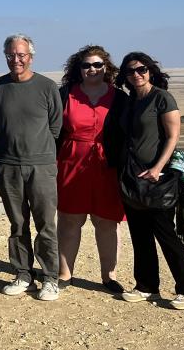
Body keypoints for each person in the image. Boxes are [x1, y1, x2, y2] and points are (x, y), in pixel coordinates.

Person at [114, 52, 184, 310]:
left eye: (141, 69)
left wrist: (157, 168)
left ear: (150, 70)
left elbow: (173, 136)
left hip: (157, 178)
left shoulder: (161, 98)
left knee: (166, 234)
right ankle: (146, 285)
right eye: (130, 71)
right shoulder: (131, 101)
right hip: (131, 176)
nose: (136, 75)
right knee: (139, 234)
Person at [0, 33, 63, 301]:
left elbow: (55, 126)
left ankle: (50, 277)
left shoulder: (46, 86)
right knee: (17, 223)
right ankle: (22, 273)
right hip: (8, 165)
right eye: (10, 55)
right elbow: (0, 121)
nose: (15, 59)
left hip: (41, 165)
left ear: (30, 56)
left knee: (46, 224)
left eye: (21, 55)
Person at [55, 45, 127, 295]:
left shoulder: (120, 97)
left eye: (97, 65)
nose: (92, 69)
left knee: (107, 222)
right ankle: (65, 273)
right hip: (71, 162)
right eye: (86, 65)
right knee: (69, 220)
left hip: (107, 166)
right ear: (79, 68)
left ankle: (109, 276)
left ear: (106, 67)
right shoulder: (65, 94)